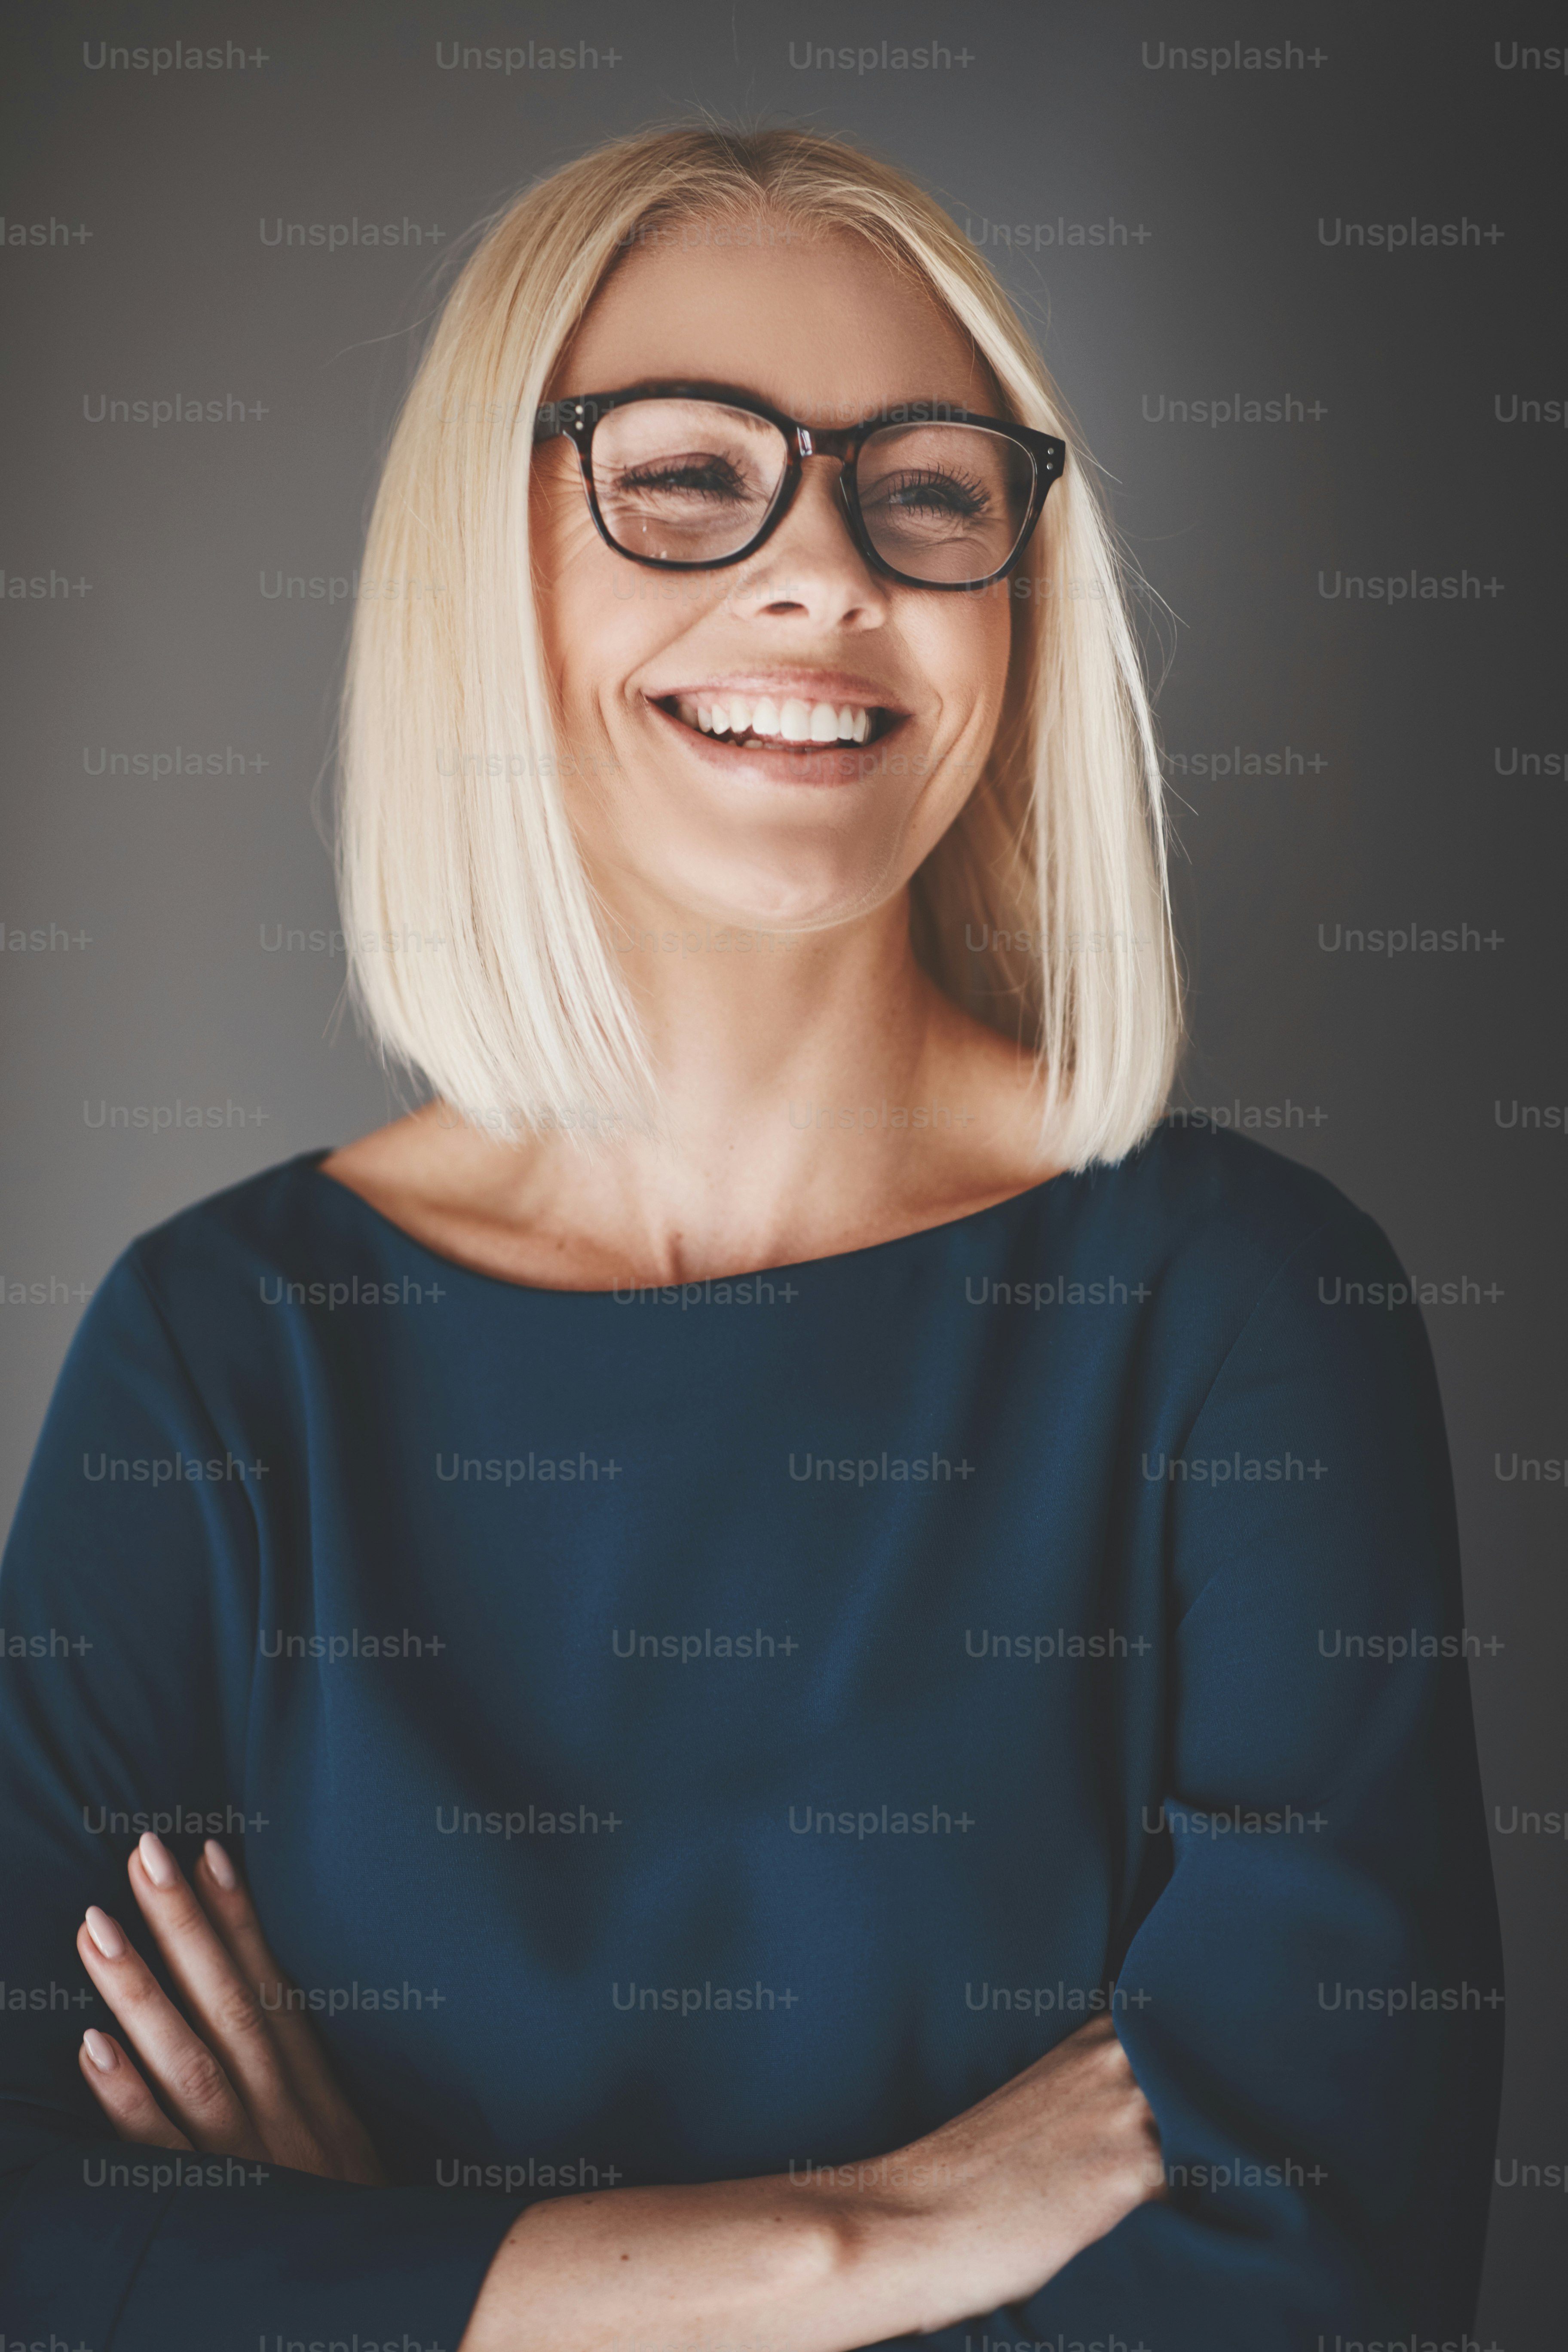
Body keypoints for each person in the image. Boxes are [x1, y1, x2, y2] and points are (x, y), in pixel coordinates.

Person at [0, 126, 1500, 2352]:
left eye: (927, 489)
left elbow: (1310, 2285)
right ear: (476, 569)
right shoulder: (221, 1357)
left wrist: (390, 2286)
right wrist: (839, 2252)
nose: (828, 579)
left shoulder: (1249, 1315)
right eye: (691, 478)